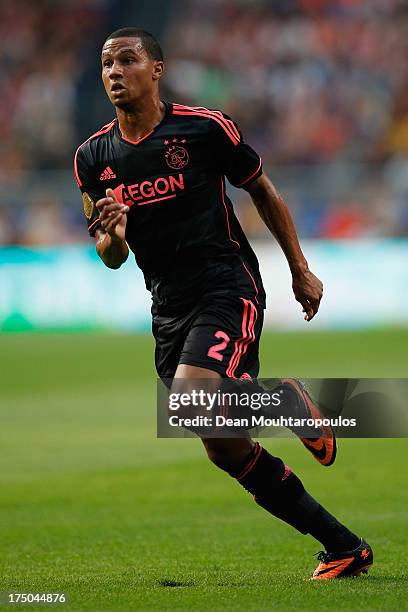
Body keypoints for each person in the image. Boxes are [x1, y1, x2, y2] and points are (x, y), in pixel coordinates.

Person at [74, 27, 373, 579]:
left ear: (156, 69)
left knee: (192, 392)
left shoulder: (204, 129)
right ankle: (344, 546)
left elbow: (262, 189)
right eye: (106, 63)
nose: (114, 72)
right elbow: (110, 255)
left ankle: (284, 401)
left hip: (226, 282)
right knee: (224, 448)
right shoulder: (92, 158)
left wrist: (299, 268)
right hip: (167, 303)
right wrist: (112, 235)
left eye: (127, 60)